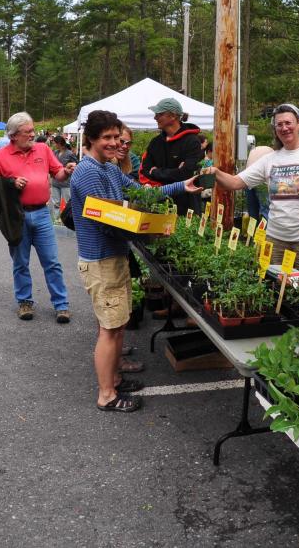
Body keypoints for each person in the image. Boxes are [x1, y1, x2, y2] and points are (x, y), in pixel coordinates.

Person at [70, 110, 200, 413]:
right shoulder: (88, 172)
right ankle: (106, 394)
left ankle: (115, 378)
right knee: (109, 328)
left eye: (117, 137)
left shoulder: (109, 168)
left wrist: (183, 185)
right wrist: (149, 229)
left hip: (114, 256)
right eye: (108, 138)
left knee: (118, 326)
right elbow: (107, 221)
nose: (115, 143)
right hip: (101, 260)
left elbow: (141, 192)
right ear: (91, 139)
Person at [211, 104, 299, 273]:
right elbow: (235, 183)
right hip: (276, 238)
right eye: (279, 124)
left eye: (288, 123)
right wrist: (216, 172)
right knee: (275, 290)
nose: (284, 128)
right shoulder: (269, 159)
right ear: (275, 129)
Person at [0, 113, 75, 323]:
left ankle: (61, 305)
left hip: (42, 214)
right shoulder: (0, 156)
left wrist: (67, 170)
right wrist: (10, 183)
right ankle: (25, 302)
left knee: (52, 261)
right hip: (17, 216)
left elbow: (57, 173)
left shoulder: (42, 149)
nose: (33, 135)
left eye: (33, 131)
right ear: (14, 135)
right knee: (20, 262)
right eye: (28, 132)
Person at [139, 97, 203, 215]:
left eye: (159, 114)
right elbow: (144, 170)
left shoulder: (192, 142)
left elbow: (187, 174)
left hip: (186, 205)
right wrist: (175, 171)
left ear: (173, 116)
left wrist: (156, 172)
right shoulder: (155, 142)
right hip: (159, 204)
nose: (155, 117)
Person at [50, 134, 78, 222]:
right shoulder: (55, 153)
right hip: (55, 182)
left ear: (59, 143)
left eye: (55, 143)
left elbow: (76, 164)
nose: (54, 145)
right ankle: (56, 218)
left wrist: (69, 170)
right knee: (56, 203)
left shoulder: (69, 153)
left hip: (66, 182)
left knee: (67, 202)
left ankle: (67, 220)